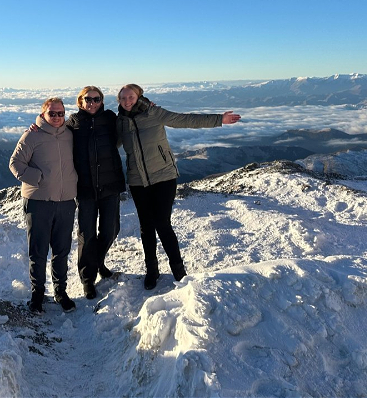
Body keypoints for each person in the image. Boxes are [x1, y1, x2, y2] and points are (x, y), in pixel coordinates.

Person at [116, 84, 240, 290]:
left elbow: (185, 120)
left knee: (162, 222)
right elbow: (107, 143)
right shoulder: (120, 122)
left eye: (131, 97)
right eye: (123, 98)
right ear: (119, 100)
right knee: (146, 227)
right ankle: (152, 270)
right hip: (137, 180)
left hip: (164, 176)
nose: (127, 101)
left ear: (139, 97)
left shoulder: (154, 113)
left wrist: (219, 119)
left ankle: (178, 269)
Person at [9, 97, 78, 314]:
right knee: (38, 251)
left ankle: (60, 291)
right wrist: (38, 178)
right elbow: (15, 163)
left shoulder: (70, 133)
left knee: (61, 250)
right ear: (43, 114)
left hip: (66, 200)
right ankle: (37, 294)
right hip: (38, 202)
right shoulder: (32, 135)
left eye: (61, 113)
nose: (57, 117)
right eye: (52, 113)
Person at [67, 86, 126, 300]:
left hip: (110, 185)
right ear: (80, 101)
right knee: (87, 234)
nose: (91, 103)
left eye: (96, 99)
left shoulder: (110, 119)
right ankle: (87, 279)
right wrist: (38, 124)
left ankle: (98, 261)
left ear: (102, 101)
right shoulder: (73, 122)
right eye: (87, 99)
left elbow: (130, 116)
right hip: (85, 188)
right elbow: (54, 133)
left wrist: (146, 105)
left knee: (111, 229)